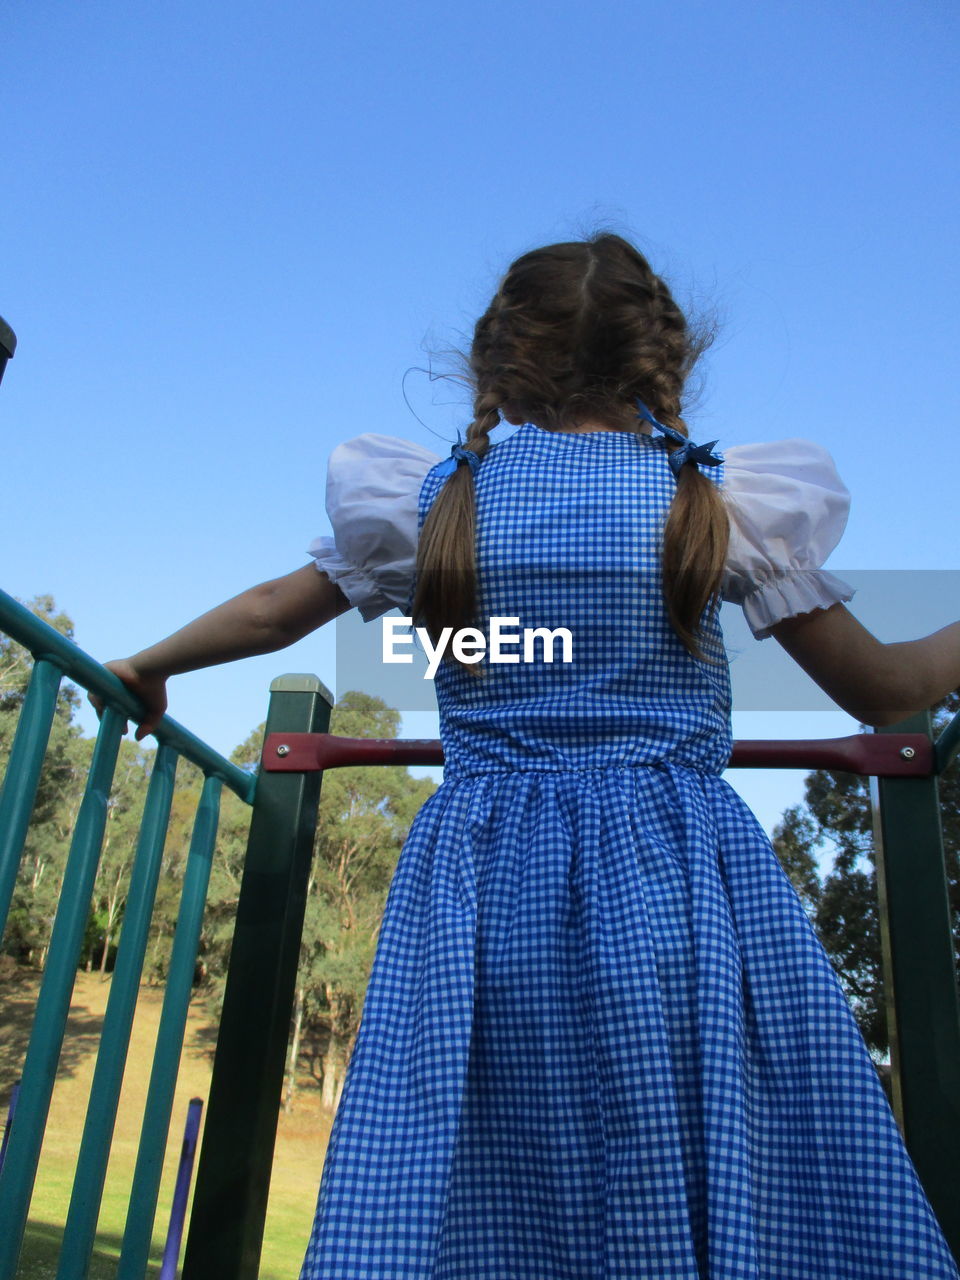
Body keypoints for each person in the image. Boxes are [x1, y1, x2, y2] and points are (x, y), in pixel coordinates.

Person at [101, 235, 960, 1279]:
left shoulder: (433, 501)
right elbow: (889, 691)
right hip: (676, 885)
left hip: (480, 887)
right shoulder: (718, 504)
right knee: (687, 1138)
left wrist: (150, 663)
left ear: (496, 367)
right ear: (663, 364)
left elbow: (272, 613)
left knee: (476, 1148)